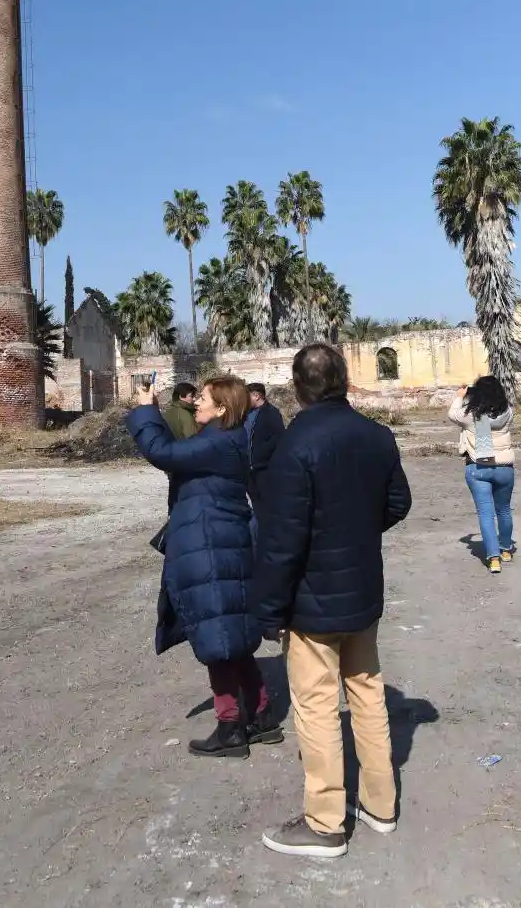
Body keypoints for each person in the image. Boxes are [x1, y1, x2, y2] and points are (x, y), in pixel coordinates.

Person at [252, 344, 412, 860]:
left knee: (317, 706)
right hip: (361, 594)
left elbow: (282, 541)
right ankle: (379, 805)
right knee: (367, 696)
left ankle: (325, 824)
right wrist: (355, 533)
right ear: (344, 379)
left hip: (312, 602)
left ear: (297, 387)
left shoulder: (294, 446)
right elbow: (397, 502)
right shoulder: (376, 436)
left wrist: (269, 611)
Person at [126, 375, 283, 759]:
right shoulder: (223, 440)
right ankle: (261, 718)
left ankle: (230, 728)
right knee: (235, 636)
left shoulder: (217, 442)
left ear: (223, 408)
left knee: (218, 639)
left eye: (204, 399)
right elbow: (174, 452)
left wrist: (146, 408)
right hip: (220, 542)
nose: (196, 402)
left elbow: (162, 453)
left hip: (211, 545)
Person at [448, 376, 515, 575]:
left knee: (486, 514)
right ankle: (506, 550)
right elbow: (490, 415)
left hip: (479, 468)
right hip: (504, 468)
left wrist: (460, 397)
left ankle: (493, 559)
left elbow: (452, 414)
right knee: (504, 510)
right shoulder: (508, 412)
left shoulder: (471, 415)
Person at [245, 382, 286, 528]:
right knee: (256, 505)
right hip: (248, 470)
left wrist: (262, 453)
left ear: (257, 396)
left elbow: (280, 437)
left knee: (267, 506)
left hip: (264, 469)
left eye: (247, 396)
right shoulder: (246, 414)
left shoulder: (271, 413)